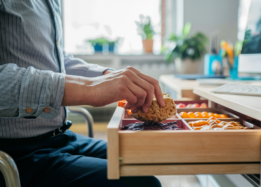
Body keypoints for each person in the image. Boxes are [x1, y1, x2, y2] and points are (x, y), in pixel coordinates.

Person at [0, 1, 164, 187]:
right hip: (15, 154)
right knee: (143, 184)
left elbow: (54, 61)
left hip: (61, 137)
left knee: (145, 156)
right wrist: (91, 89)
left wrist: (106, 76)